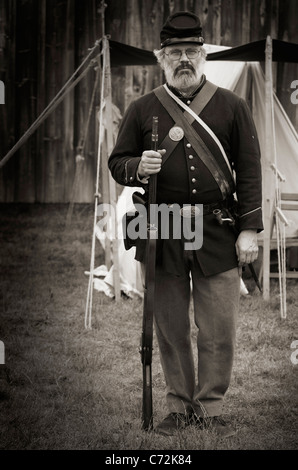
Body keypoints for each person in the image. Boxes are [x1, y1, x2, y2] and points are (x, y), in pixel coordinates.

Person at [108, 11, 263, 438]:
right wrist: (138, 165)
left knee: (219, 325)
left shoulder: (233, 106)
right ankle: (180, 404)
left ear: (203, 56)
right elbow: (116, 163)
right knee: (171, 325)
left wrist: (249, 229)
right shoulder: (143, 109)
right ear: (161, 58)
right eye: (174, 52)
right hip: (162, 228)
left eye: (191, 52)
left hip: (216, 228)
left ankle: (210, 406)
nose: (183, 60)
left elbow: (249, 170)